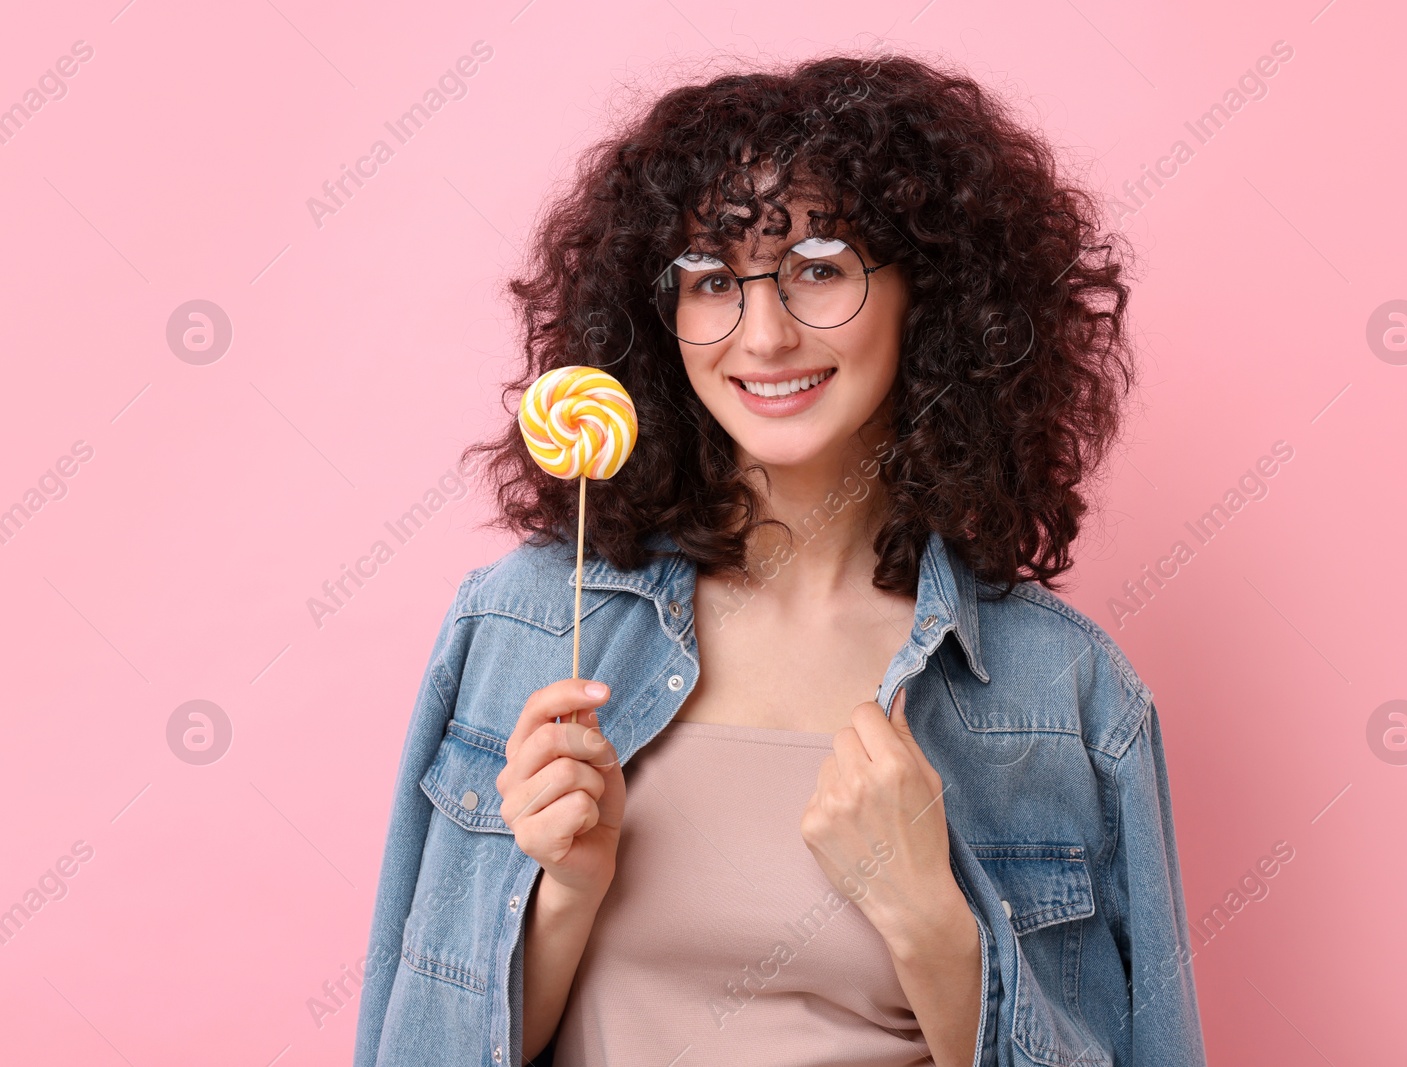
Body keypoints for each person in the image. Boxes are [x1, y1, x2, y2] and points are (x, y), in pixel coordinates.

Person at [353, 51, 1207, 1067]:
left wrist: (932, 920)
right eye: (713, 280)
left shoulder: (1064, 691)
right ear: (660, 316)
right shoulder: (518, 628)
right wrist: (568, 893)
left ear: (925, 296)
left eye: (819, 269)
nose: (763, 334)